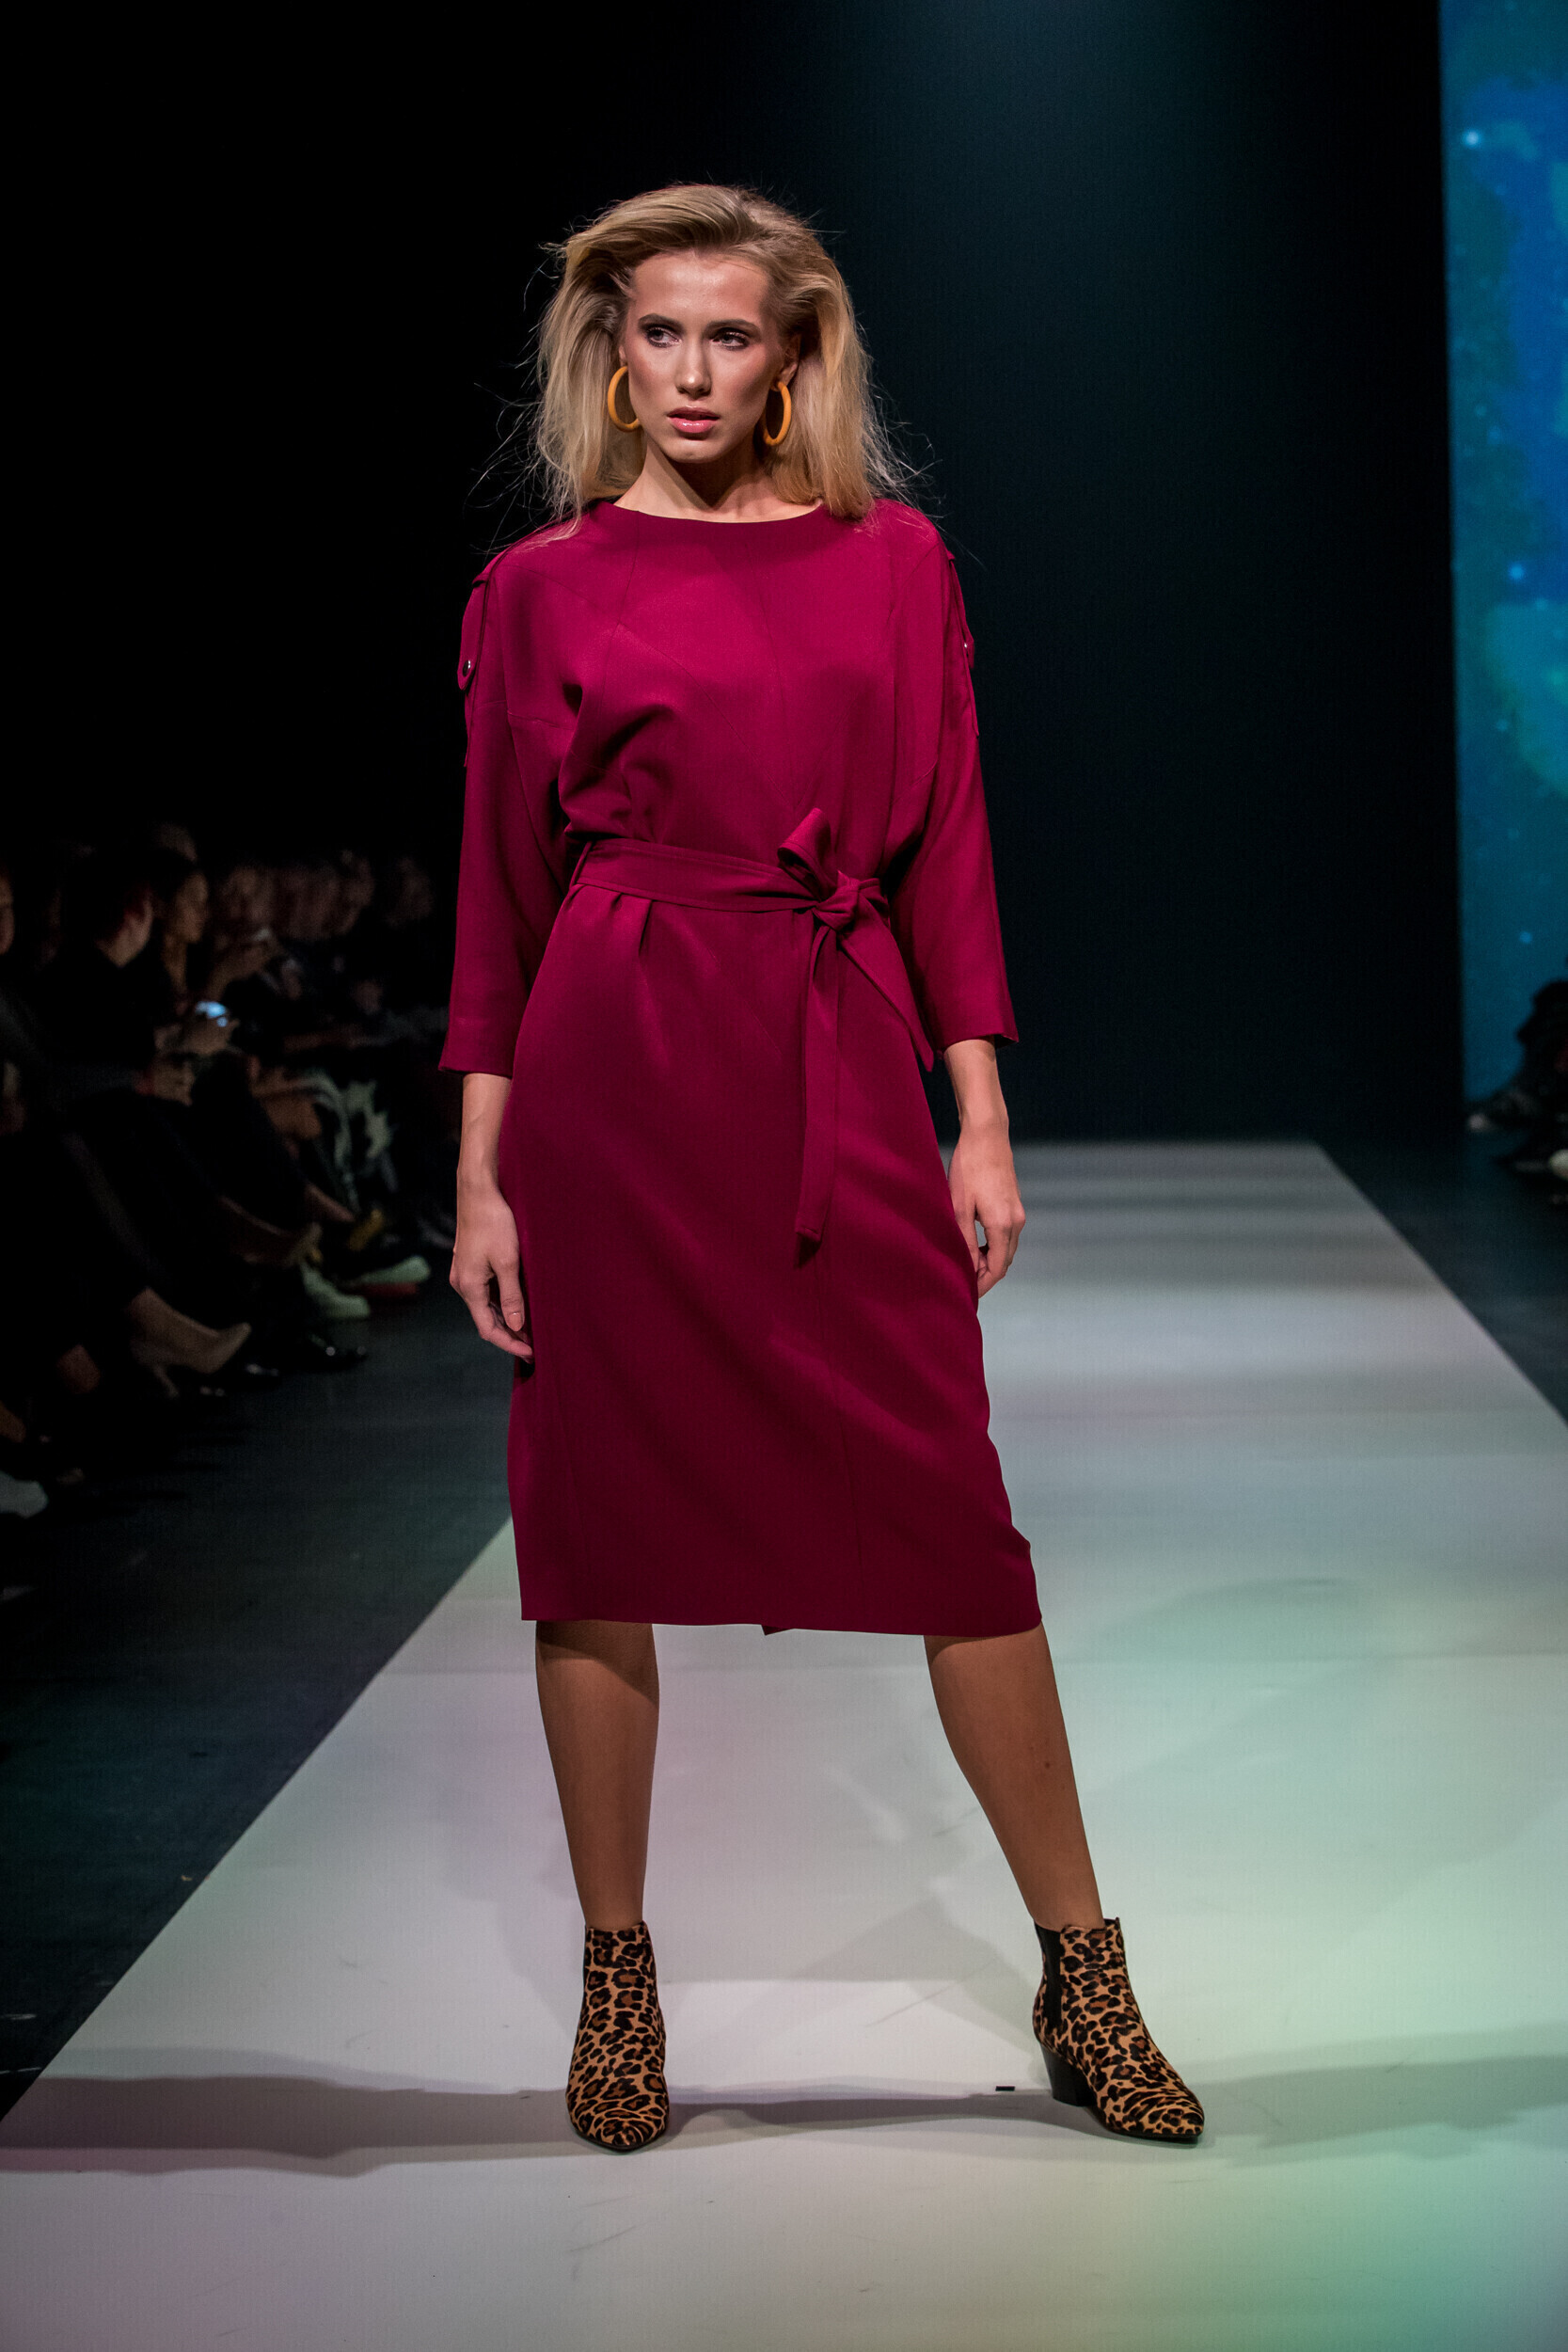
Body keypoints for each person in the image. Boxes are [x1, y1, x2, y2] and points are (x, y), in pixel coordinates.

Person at [445, 184, 1202, 2154]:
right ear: (612, 350)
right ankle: (619, 1976)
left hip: (832, 1050)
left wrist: (980, 1112)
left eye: (731, 334)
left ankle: (1083, 1968)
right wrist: (483, 1174)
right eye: (659, 332)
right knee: (594, 1532)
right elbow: (499, 898)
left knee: (955, 1521)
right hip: (613, 1071)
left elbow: (947, 841)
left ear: (793, 357)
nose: (692, 371)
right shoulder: (541, 586)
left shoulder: (894, 561)